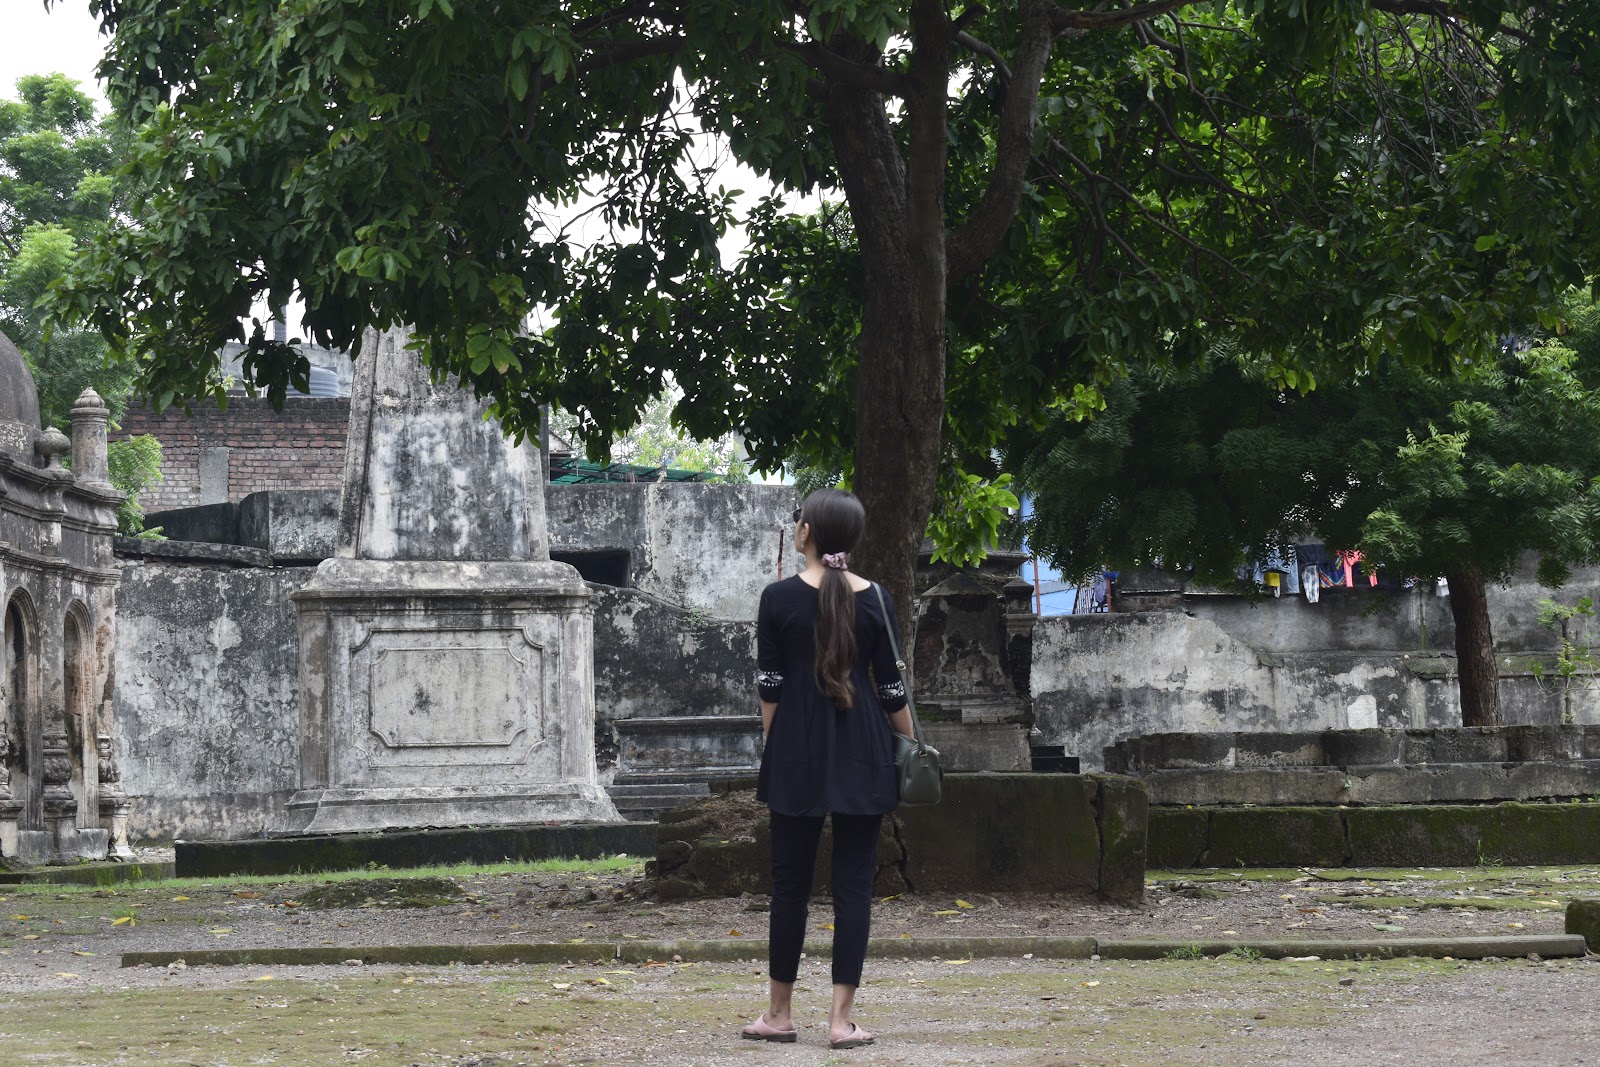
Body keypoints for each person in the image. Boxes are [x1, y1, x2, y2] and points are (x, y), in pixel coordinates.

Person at [740, 488, 916, 1050]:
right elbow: (891, 689)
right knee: (854, 890)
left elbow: (771, 684)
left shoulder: (778, 599)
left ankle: (778, 1015)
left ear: (808, 532)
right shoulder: (877, 598)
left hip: (796, 749)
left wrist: (778, 739)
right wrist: (910, 747)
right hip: (864, 750)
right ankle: (841, 1024)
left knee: (789, 886)